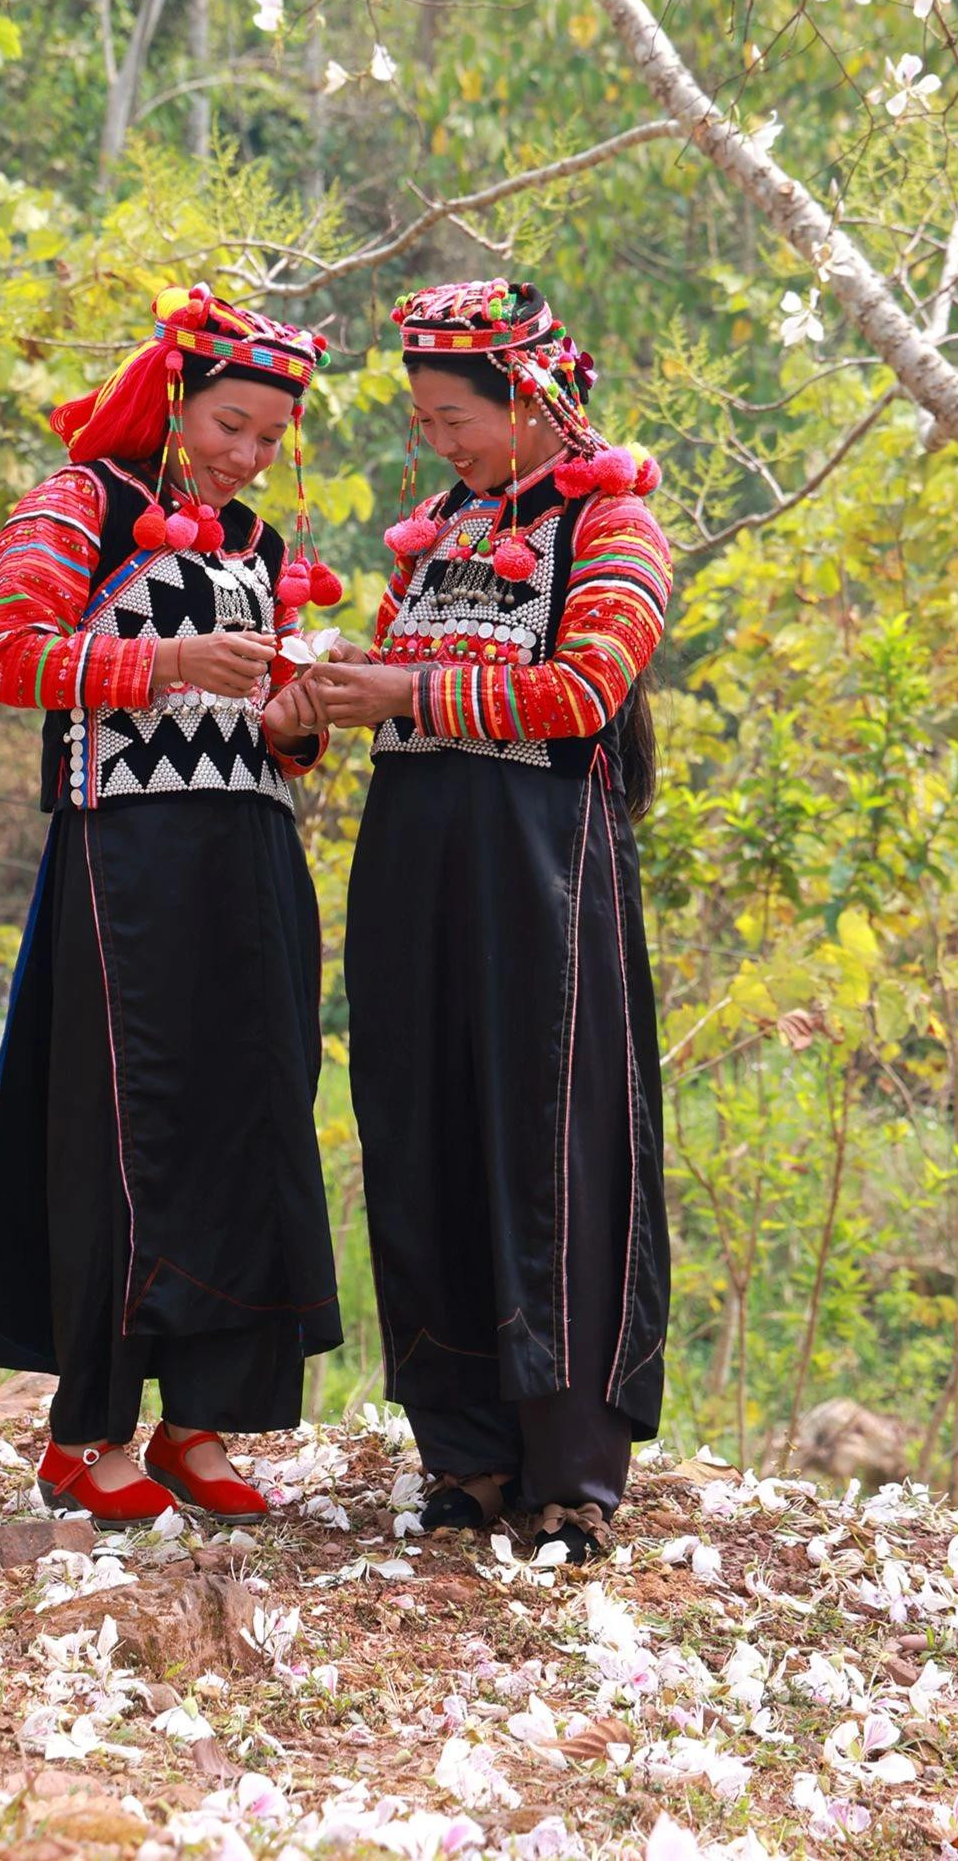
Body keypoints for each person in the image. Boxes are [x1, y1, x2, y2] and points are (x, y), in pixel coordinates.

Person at [0, 284, 344, 1524]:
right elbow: (14, 660)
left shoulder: (261, 551)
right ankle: (88, 1431)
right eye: (228, 425)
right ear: (173, 402)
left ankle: (201, 1423)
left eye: (269, 439)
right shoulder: (77, 504)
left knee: (254, 1119)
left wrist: (292, 721)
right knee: (132, 1130)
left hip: (252, 860)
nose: (245, 455)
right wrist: (165, 663)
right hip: (127, 858)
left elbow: (268, 726)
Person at [302, 279, 673, 1561]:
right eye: (427, 419)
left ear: (531, 404)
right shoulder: (441, 536)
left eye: (457, 415)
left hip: (540, 882)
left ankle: (570, 1472)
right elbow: (391, 674)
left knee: (547, 1138)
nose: (443, 442)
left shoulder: (614, 529)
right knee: (423, 1128)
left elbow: (578, 692)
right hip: (413, 867)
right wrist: (321, 694)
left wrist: (400, 687)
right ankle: (459, 1454)